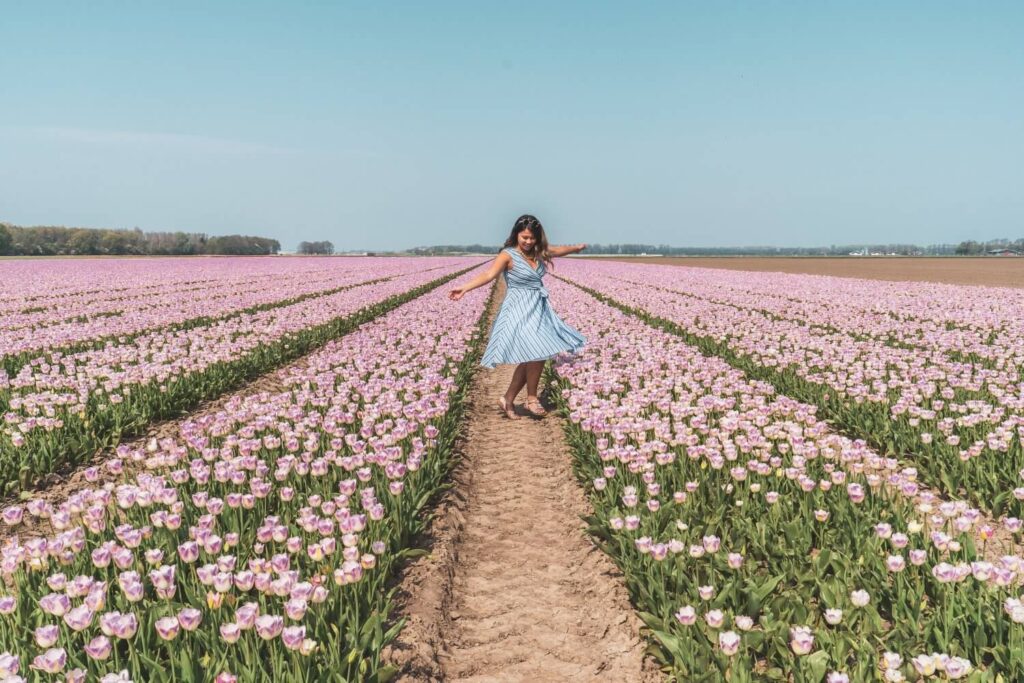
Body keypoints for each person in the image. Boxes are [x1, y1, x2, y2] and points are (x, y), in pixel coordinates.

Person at [448, 214, 587, 419]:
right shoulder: (508, 255)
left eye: (532, 238)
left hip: (538, 307)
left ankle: (508, 399)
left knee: (534, 353)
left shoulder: (540, 252)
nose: (528, 242)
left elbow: (558, 251)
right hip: (517, 308)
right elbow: (488, 275)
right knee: (537, 350)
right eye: (524, 238)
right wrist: (464, 288)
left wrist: (576, 248)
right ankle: (531, 398)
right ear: (516, 235)